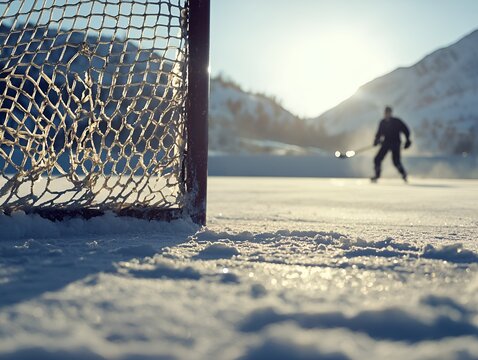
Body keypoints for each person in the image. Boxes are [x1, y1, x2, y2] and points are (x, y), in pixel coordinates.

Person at [371, 106, 411, 182]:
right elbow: (379, 133)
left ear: (390, 113)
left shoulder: (397, 121)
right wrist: (376, 140)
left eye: (388, 112)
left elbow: (405, 130)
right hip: (386, 143)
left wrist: (408, 140)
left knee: (396, 161)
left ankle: (403, 174)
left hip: (395, 144)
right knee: (377, 159)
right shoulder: (382, 122)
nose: (386, 114)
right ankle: (377, 175)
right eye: (386, 113)